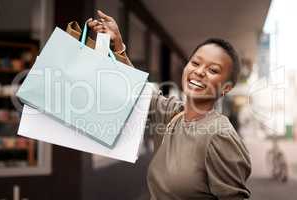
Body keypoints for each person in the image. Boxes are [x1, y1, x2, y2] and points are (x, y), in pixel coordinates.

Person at [88, 10, 251, 200]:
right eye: (195, 63)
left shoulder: (220, 136)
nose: (199, 72)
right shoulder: (175, 115)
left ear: (226, 88)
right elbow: (140, 91)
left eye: (213, 70)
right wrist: (117, 46)